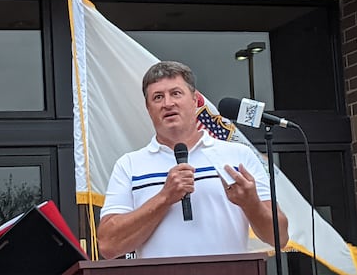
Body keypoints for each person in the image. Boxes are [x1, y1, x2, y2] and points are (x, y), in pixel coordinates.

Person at [97, 61, 289, 259]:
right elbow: (108, 245)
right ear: (148, 108)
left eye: (176, 93)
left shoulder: (238, 155)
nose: (168, 103)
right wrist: (164, 197)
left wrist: (251, 204)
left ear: (195, 100)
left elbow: (280, 237)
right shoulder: (129, 165)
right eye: (158, 97)